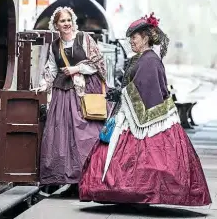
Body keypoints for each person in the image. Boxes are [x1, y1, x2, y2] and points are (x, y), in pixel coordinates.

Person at [79, 13, 212, 206]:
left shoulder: (149, 60)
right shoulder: (143, 58)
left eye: (134, 38)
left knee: (145, 160)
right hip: (131, 116)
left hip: (143, 121)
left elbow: (145, 89)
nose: (131, 42)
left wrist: (121, 94)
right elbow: (136, 85)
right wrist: (121, 93)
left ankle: (135, 193)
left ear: (146, 38)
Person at [33, 7, 107, 196]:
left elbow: (98, 63)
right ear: (56, 25)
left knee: (86, 135)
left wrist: (76, 69)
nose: (66, 24)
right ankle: (67, 180)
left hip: (83, 93)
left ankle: (86, 178)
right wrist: (43, 85)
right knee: (61, 136)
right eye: (62, 21)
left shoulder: (84, 38)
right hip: (62, 94)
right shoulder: (55, 44)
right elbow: (51, 68)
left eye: (68, 20)